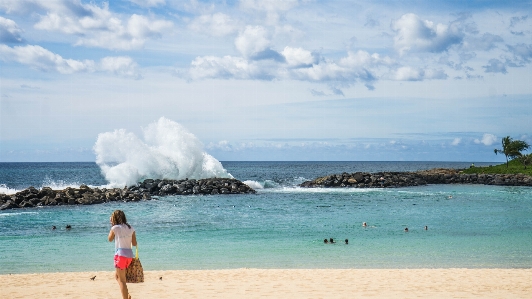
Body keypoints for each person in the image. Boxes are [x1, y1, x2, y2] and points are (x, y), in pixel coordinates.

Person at [108, 210, 137, 299]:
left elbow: (109, 239)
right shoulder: (130, 228)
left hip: (120, 255)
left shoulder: (115, 228)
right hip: (129, 256)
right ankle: (127, 295)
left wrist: (113, 227)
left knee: (122, 280)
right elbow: (134, 243)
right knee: (117, 276)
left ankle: (125, 297)